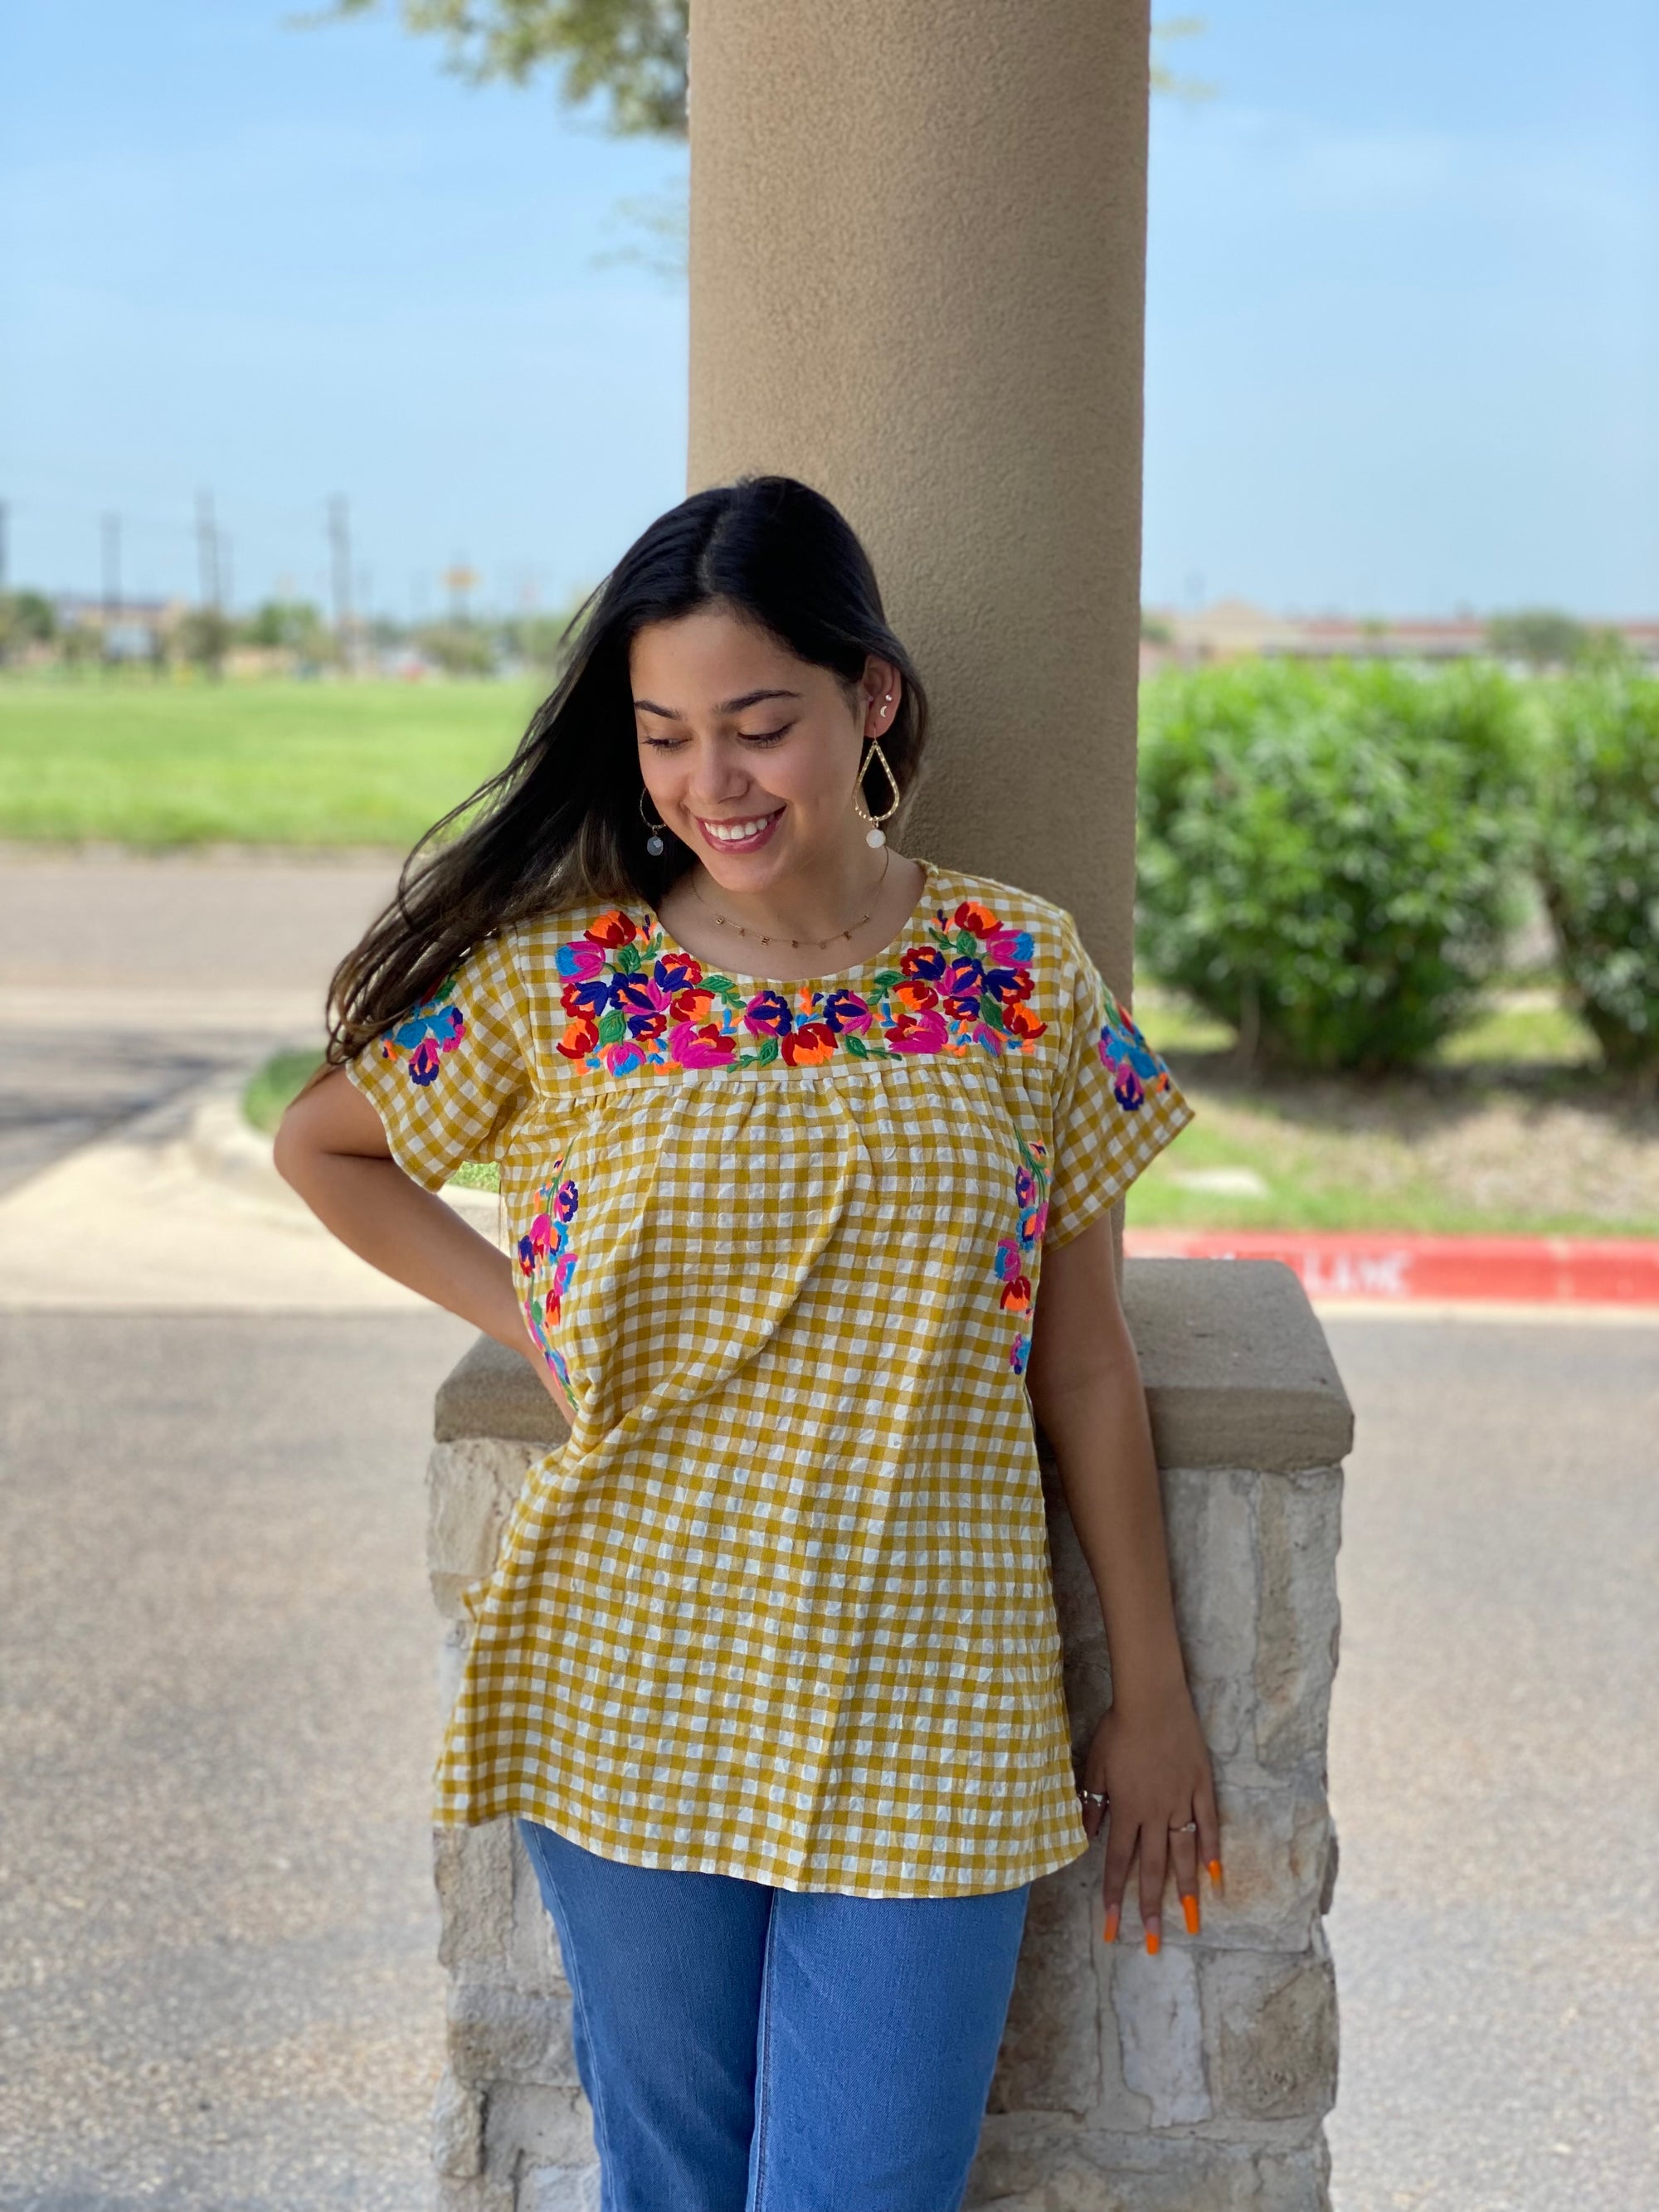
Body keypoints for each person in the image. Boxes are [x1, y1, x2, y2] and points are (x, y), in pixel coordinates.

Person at [275, 474, 1216, 2212]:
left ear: (869, 698)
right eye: (663, 735)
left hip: (940, 1685)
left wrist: (1148, 1688)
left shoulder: (1019, 965)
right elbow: (322, 1143)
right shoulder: (572, 984)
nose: (711, 782)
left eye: (757, 724)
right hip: (631, 1670)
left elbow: (1083, 1359)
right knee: (675, 2185)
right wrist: (523, 1306)